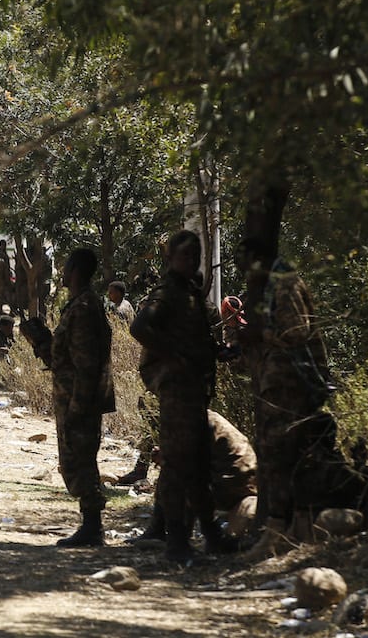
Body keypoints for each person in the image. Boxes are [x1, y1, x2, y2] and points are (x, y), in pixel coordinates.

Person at [237, 236, 368, 557]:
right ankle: (288, 528)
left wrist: (260, 333)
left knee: (287, 455)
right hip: (279, 385)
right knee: (281, 455)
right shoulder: (271, 286)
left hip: (293, 385)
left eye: (246, 265)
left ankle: (285, 529)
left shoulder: (283, 285)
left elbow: (296, 331)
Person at [130, 230, 233, 562]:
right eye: (186, 255)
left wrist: (216, 352)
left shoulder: (191, 294)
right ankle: (176, 541)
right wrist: (173, 356)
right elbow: (140, 327)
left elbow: (196, 337)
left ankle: (210, 534)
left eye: (196, 255)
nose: (192, 261)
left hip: (195, 391)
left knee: (199, 465)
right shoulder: (168, 293)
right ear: (171, 258)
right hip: (177, 392)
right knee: (178, 465)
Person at [37, 247, 115, 548]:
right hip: (72, 396)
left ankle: (93, 526)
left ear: (75, 270)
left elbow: (86, 363)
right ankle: (90, 524)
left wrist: (78, 407)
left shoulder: (83, 307)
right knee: (76, 459)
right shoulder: (79, 305)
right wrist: (43, 342)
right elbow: (67, 358)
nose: (62, 271)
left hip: (78, 399)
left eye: (66, 266)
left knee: (80, 459)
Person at [131, 410, 258, 543]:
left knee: (174, 472)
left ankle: (174, 533)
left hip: (232, 483)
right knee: (179, 469)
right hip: (242, 479)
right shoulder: (205, 416)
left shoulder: (190, 419)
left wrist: (166, 456)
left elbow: (188, 461)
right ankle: (171, 530)